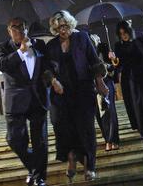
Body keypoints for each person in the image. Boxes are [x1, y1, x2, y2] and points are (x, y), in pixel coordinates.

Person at [46, 11, 108, 182]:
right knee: (65, 127)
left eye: (65, 26)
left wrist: (100, 82)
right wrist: (53, 81)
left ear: (70, 25)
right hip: (62, 94)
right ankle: (72, 156)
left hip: (83, 91)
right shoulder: (51, 46)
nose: (62, 30)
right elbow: (47, 68)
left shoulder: (82, 38)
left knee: (86, 128)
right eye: (58, 28)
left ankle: (90, 167)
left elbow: (94, 61)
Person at [0, 17, 52, 186]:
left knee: (40, 141)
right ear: (9, 30)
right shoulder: (2, 47)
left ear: (27, 28)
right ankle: (36, 169)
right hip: (16, 101)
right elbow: (2, 65)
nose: (20, 30)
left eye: (23, 26)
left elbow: (48, 65)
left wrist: (52, 79)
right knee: (14, 139)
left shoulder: (40, 44)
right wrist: (21, 51)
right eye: (15, 27)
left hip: (38, 98)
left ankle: (39, 178)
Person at [112, 20, 143, 146]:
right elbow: (118, 66)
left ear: (130, 31)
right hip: (130, 80)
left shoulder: (140, 41)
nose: (124, 35)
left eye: (125, 32)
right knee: (138, 106)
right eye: (121, 34)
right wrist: (113, 60)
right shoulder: (118, 46)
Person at [90, 35, 120, 152]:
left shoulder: (104, 50)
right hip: (94, 86)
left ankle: (113, 140)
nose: (93, 41)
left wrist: (111, 61)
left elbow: (114, 67)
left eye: (95, 39)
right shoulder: (86, 54)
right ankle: (107, 139)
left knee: (110, 111)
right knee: (99, 114)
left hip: (107, 83)